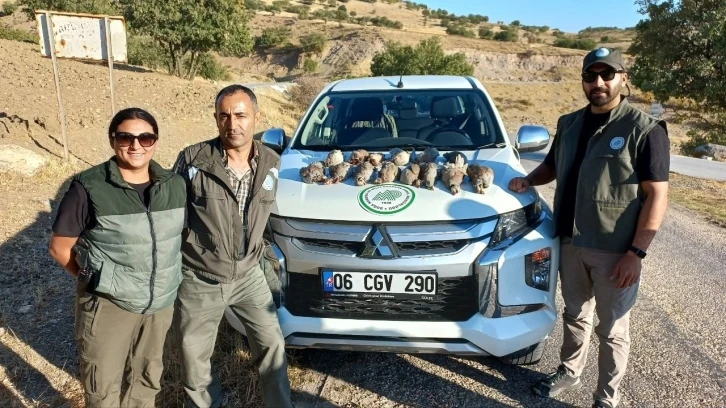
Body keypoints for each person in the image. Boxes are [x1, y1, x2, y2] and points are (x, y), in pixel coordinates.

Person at [509, 48, 670, 408]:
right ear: (582, 80)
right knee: (575, 315)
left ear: (623, 78)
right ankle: (569, 371)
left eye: (607, 75)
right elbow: (551, 165)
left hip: (615, 249)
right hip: (570, 242)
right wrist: (527, 180)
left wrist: (637, 253)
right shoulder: (568, 123)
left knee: (612, 330)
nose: (598, 83)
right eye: (590, 76)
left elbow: (657, 195)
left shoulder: (644, 129)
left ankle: (606, 398)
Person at [48, 107, 187, 407]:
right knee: (102, 388)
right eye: (126, 137)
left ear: (156, 142)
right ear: (113, 141)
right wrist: (97, 278)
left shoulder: (174, 186)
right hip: (110, 305)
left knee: (148, 380)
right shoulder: (89, 186)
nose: (135, 145)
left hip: (158, 305)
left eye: (145, 138)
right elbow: (59, 248)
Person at [172, 84, 292, 408]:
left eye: (240, 115)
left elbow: (263, 216)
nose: (232, 123)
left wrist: (266, 254)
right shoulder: (193, 159)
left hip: (248, 276)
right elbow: (171, 218)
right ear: (215, 119)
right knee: (195, 363)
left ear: (256, 117)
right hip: (200, 277)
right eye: (224, 116)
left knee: (272, 347)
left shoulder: (271, 162)